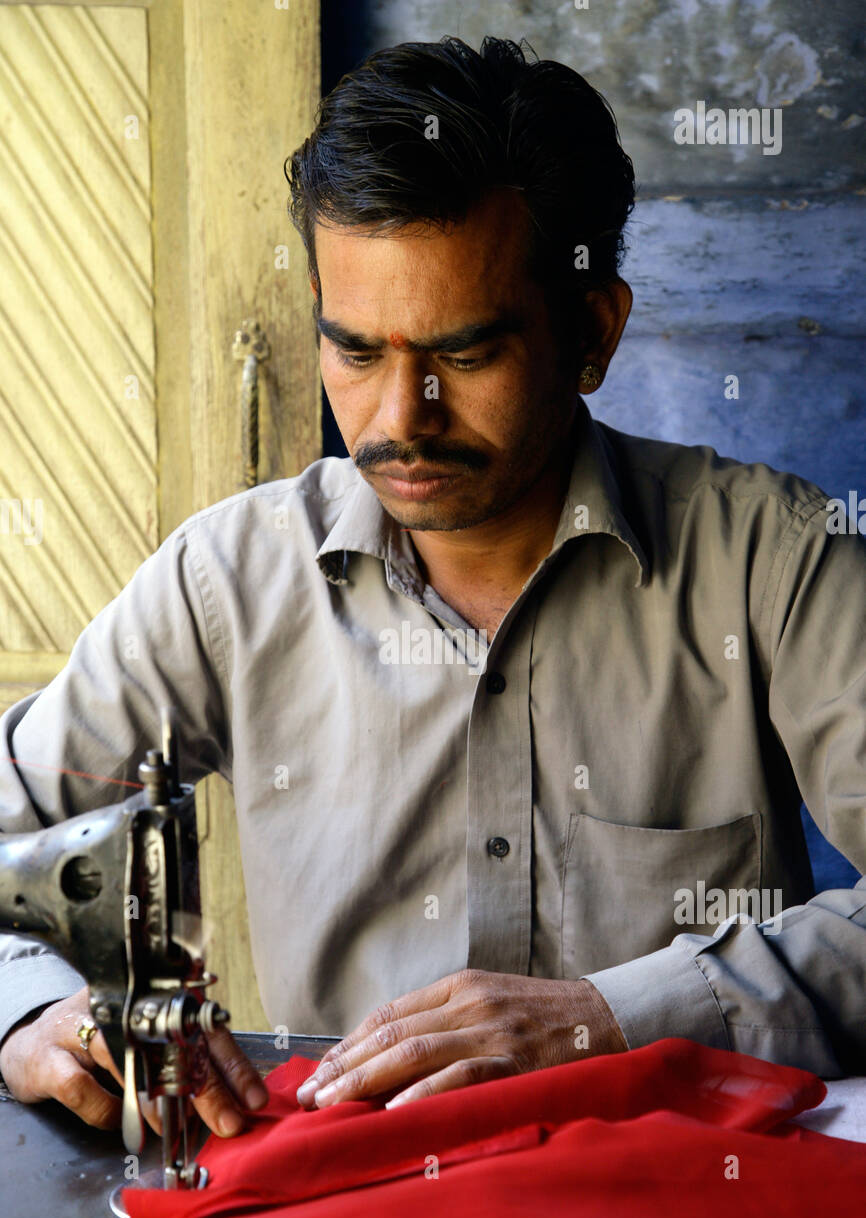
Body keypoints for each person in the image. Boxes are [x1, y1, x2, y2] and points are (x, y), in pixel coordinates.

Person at [1, 36, 864, 1141]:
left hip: (675, 1213)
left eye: (461, 355)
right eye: (355, 352)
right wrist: (31, 1011)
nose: (399, 417)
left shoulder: (773, 565)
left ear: (591, 331)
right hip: (349, 1212)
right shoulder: (228, 585)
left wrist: (614, 1015)